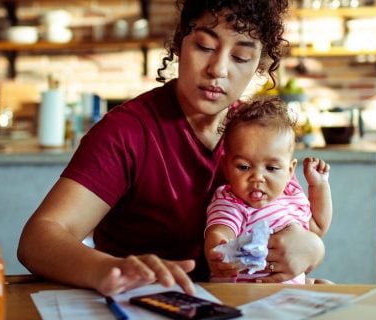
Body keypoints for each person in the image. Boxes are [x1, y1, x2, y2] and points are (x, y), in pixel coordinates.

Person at [17, 0, 326, 297]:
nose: (218, 69)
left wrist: (313, 249)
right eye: (205, 46)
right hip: (145, 303)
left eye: (241, 57)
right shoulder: (127, 131)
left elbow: (293, 217)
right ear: (180, 43)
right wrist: (109, 270)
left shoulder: (261, 134)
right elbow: (38, 239)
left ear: (259, 64)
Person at [203, 96, 332, 284]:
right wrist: (218, 248)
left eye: (271, 168)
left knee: (326, 287)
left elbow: (318, 227)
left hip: (290, 291)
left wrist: (318, 186)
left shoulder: (290, 195)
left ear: (289, 171)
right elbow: (221, 230)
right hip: (248, 293)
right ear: (226, 167)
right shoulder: (231, 201)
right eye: (244, 167)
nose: (257, 177)